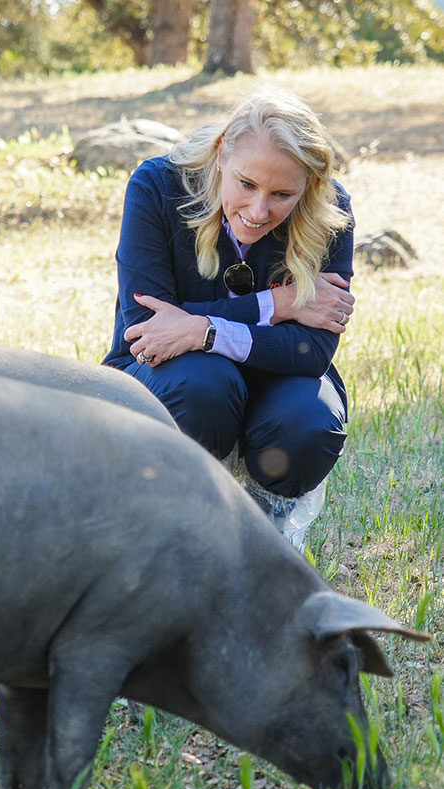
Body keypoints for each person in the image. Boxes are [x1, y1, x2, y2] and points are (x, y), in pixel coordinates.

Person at [102, 86, 355, 544]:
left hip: (278, 376)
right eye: (247, 184)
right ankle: (179, 522)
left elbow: (312, 351)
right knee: (203, 387)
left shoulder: (331, 212)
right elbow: (145, 332)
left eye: (282, 194)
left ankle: (268, 535)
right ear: (221, 155)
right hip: (173, 375)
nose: (259, 211)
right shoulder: (157, 187)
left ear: (309, 188)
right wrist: (278, 305)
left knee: (308, 422)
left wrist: (202, 329)